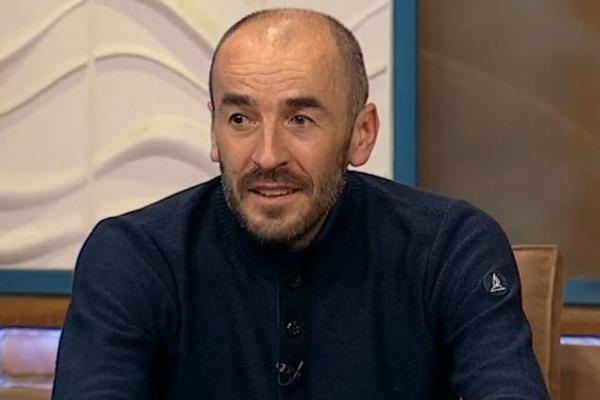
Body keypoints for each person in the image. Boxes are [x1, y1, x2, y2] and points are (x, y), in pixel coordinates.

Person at [52, 8, 550, 400]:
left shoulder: (451, 246)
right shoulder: (133, 256)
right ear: (214, 130)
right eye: (241, 119)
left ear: (361, 133)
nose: (267, 155)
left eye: (300, 120)